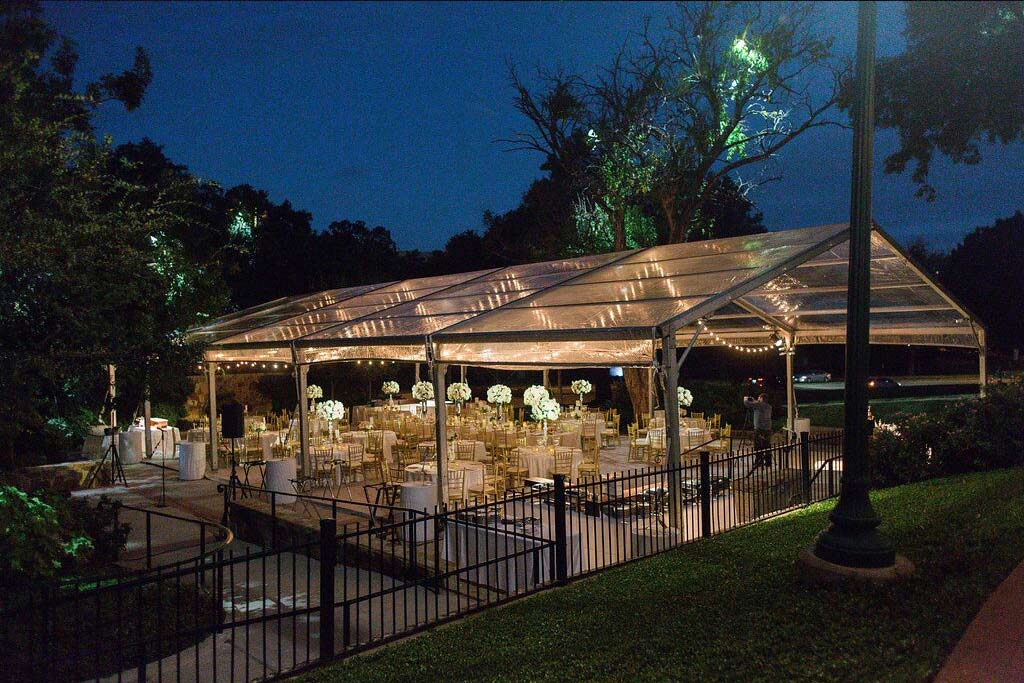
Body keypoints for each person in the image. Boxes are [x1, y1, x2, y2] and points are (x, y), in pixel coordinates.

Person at [743, 393, 773, 472]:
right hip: (768, 429)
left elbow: (747, 403)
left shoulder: (759, 405)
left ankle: (759, 461)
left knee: (758, 446)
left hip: (759, 429)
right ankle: (768, 462)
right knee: (767, 445)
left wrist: (746, 398)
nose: (758, 399)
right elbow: (756, 403)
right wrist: (754, 400)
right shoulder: (769, 406)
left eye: (759, 398)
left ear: (761, 398)